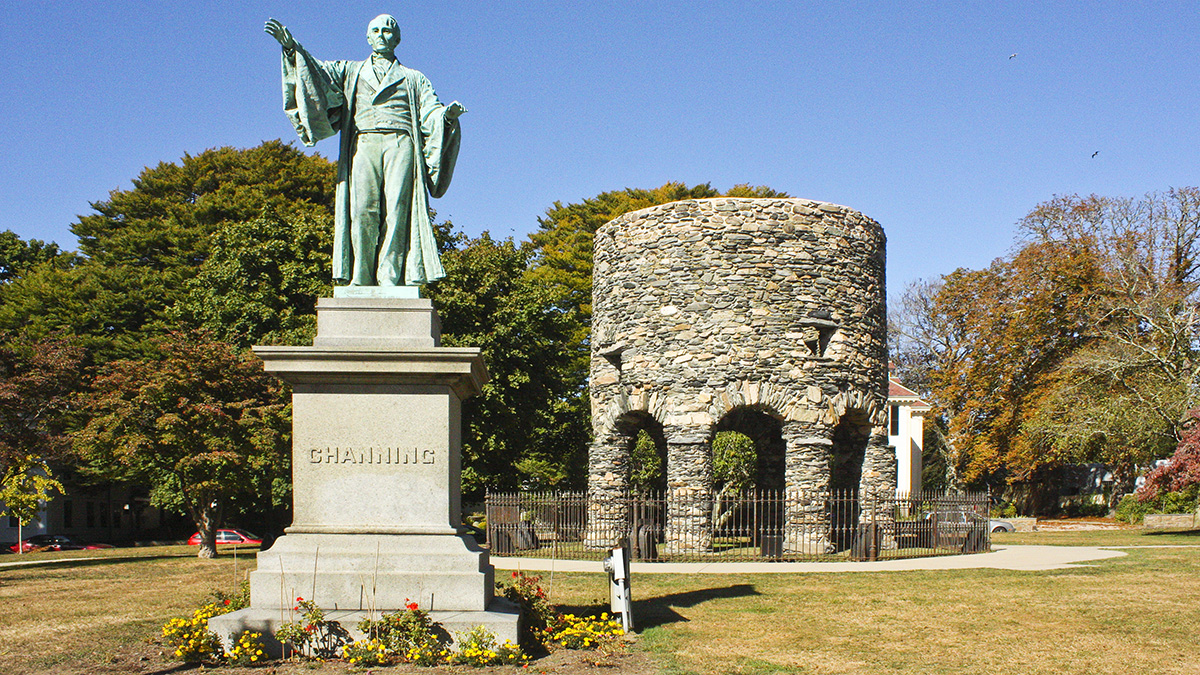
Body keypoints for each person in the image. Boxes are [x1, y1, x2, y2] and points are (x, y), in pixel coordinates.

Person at [265, 15, 465, 287]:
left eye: (387, 31)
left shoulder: (414, 78)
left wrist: (447, 117)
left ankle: (389, 275)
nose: (381, 35)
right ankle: (361, 272)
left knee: (397, 209)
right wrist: (292, 49)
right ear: (368, 37)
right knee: (362, 209)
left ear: (397, 39)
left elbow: (430, 111)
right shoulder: (350, 71)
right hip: (364, 141)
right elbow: (317, 75)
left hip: (400, 142)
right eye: (376, 30)